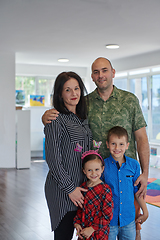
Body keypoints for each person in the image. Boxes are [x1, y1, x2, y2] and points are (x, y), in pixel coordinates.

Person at [42, 57, 150, 240]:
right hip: (93, 179)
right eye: (96, 72)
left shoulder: (129, 100)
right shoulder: (85, 103)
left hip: (125, 175)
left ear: (113, 72)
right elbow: (54, 148)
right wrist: (46, 117)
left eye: (105, 70)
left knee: (131, 227)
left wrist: (145, 173)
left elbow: (141, 138)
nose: (101, 75)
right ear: (92, 76)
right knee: (95, 229)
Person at [44, 71, 93, 240]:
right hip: (62, 191)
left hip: (83, 188)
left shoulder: (83, 118)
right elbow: (53, 159)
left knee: (84, 235)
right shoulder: (55, 119)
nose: (74, 94)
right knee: (63, 235)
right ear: (60, 94)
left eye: (77, 88)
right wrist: (70, 189)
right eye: (67, 90)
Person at [102, 126, 148, 240]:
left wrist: (145, 211)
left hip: (129, 221)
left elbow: (138, 192)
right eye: (113, 144)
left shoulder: (134, 165)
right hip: (109, 221)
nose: (117, 147)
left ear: (127, 145)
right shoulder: (102, 166)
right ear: (107, 144)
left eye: (121, 144)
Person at [74, 149, 113, 240]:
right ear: (84, 171)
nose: (93, 173)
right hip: (84, 231)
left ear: (102, 169)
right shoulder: (83, 187)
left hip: (99, 233)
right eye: (89, 170)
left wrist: (92, 229)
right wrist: (77, 223)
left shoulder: (105, 189)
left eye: (96, 169)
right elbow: (80, 209)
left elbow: (107, 216)